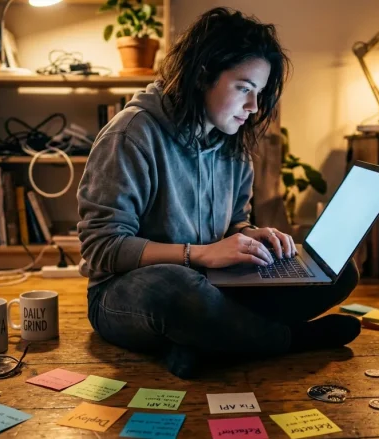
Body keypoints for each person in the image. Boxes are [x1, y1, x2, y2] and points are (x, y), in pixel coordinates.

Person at [77, 7, 361, 379]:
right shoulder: (131, 135)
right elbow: (101, 247)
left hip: (212, 286)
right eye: (244, 88)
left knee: (338, 272)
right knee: (175, 288)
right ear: (202, 74)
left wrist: (249, 236)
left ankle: (207, 341)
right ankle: (286, 340)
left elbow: (231, 224)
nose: (254, 107)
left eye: (258, 92)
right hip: (127, 294)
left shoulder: (232, 141)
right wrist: (200, 255)